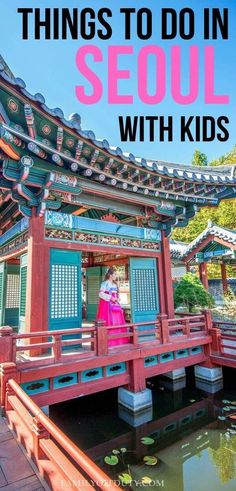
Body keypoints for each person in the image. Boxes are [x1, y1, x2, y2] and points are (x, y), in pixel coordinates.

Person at [96, 267, 129, 346]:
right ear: (110, 275)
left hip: (115, 304)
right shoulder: (105, 283)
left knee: (117, 321)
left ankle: (118, 340)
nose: (115, 276)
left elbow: (115, 294)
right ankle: (108, 340)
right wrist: (111, 298)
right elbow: (100, 294)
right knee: (109, 321)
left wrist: (117, 298)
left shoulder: (114, 284)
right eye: (114, 274)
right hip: (107, 305)